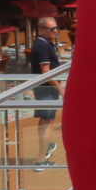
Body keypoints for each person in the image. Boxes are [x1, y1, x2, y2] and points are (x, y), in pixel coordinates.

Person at [29, 15, 64, 161]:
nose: (55, 31)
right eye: (51, 28)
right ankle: (41, 159)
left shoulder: (44, 43)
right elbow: (45, 70)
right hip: (46, 90)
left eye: (56, 28)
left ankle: (45, 151)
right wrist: (60, 89)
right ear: (42, 30)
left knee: (46, 121)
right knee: (46, 122)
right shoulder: (42, 45)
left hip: (45, 89)